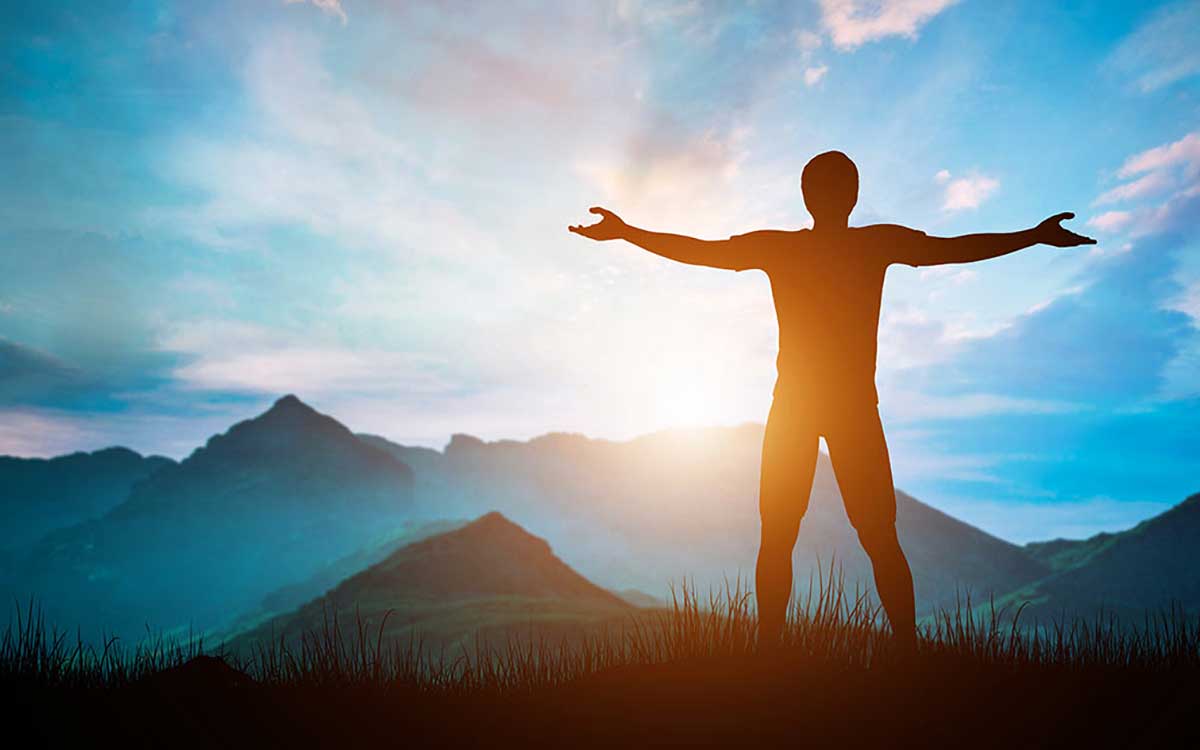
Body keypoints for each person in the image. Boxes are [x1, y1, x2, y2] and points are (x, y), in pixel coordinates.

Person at [569, 150, 1096, 652]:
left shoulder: (788, 247)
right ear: (852, 195)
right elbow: (952, 248)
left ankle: (775, 653)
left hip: (802, 408)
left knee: (785, 534)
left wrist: (628, 233)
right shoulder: (871, 244)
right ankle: (898, 653)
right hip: (843, 410)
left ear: (807, 197)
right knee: (868, 536)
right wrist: (1031, 237)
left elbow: (704, 252)